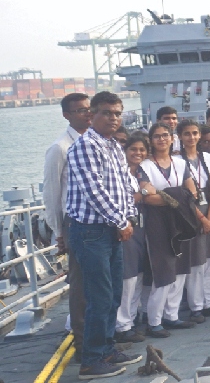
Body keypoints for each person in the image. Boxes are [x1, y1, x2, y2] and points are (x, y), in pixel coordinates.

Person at [66, 91, 143, 378]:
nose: (113, 118)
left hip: (111, 228)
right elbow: (94, 191)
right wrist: (120, 221)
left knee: (112, 294)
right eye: (107, 113)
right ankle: (91, 360)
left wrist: (127, 217)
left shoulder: (111, 145)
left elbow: (124, 183)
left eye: (117, 113)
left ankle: (108, 348)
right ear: (92, 115)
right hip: (91, 231)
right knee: (98, 296)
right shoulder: (86, 146)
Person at [142, 123, 205, 338]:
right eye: (157, 136)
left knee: (181, 268)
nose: (161, 139)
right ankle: (154, 321)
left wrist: (169, 196)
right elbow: (148, 197)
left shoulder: (180, 163)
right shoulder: (146, 166)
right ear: (151, 140)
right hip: (158, 223)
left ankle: (172, 314)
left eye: (165, 136)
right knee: (164, 269)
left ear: (171, 139)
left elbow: (192, 193)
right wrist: (177, 197)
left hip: (182, 219)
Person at [43, 92, 90, 348]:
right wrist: (58, 233)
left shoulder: (95, 143)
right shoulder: (60, 148)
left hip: (96, 224)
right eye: (80, 110)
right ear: (67, 115)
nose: (86, 113)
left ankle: (102, 336)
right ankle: (83, 341)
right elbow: (51, 194)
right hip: (74, 224)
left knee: (99, 284)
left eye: (88, 109)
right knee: (81, 286)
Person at [177, 120, 210, 321]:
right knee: (196, 260)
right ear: (180, 136)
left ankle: (209, 301)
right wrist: (202, 218)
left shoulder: (207, 158)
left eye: (195, 133)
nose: (192, 137)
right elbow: (183, 194)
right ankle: (196, 306)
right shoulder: (177, 161)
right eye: (187, 133)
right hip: (191, 212)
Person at [115, 133, 156, 344]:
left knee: (138, 275)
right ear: (125, 150)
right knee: (127, 277)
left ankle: (130, 320)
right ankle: (121, 325)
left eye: (142, 150)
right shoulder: (119, 172)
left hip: (141, 228)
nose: (137, 153)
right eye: (133, 149)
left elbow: (152, 190)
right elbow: (126, 199)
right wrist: (142, 192)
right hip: (126, 227)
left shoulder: (141, 171)